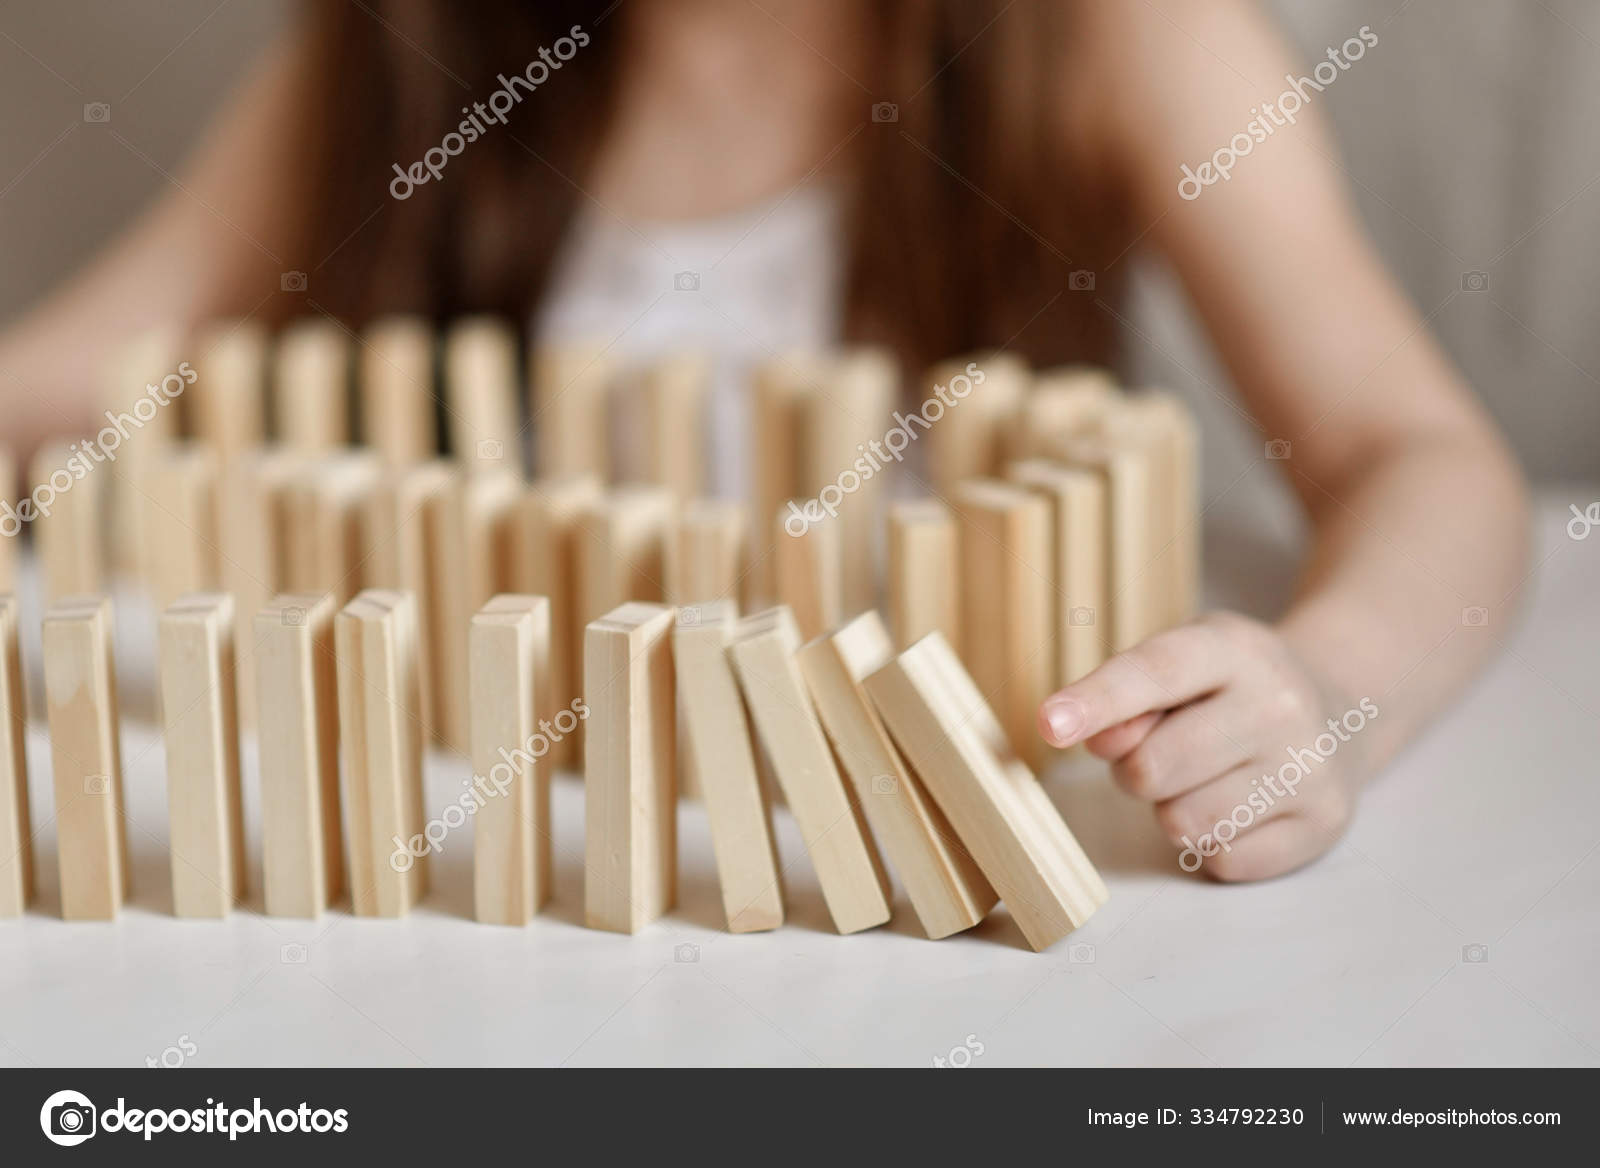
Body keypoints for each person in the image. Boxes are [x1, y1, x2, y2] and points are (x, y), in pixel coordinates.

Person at [0, 0, 1528, 880]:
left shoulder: (1109, 32)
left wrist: (1329, 690)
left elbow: (1411, 450)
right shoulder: (406, 47)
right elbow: (61, 385)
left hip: (931, 860)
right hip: (547, 855)